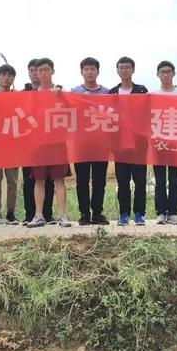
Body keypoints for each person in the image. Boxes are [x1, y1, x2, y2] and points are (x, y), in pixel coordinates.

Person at [27, 58, 71, 228]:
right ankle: (38, 215)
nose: (43, 73)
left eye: (46, 69)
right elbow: (25, 115)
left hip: (58, 143)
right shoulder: (31, 95)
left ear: (53, 71)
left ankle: (62, 215)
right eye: (40, 70)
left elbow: (71, 111)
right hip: (38, 144)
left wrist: (61, 96)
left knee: (59, 180)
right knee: (39, 180)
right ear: (36, 73)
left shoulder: (61, 92)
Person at [70, 57, 111, 225]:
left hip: (101, 143)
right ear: (81, 72)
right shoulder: (74, 91)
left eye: (92, 69)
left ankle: (97, 213)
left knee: (100, 180)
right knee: (82, 180)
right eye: (86, 69)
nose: (89, 72)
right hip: (81, 143)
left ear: (98, 71)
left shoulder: (107, 92)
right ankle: (84, 214)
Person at [109, 56, 149, 226]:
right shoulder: (112, 92)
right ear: (117, 71)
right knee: (123, 180)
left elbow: (148, 113)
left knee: (140, 181)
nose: (124, 70)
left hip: (139, 144)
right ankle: (123, 213)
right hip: (119, 144)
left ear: (133, 70)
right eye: (121, 67)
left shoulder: (141, 90)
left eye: (127, 67)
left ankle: (139, 213)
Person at [151, 61, 177, 225]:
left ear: (174, 74)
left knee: (174, 179)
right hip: (158, 141)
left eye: (168, 71)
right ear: (157, 74)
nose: (165, 75)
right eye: (162, 72)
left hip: (176, 141)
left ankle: (173, 212)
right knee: (159, 180)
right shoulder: (153, 94)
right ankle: (160, 212)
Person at [21, 58, 54, 224]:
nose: (36, 73)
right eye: (32, 70)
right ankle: (30, 214)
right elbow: (19, 113)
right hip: (29, 143)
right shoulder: (23, 93)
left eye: (39, 70)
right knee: (30, 180)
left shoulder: (54, 91)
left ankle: (47, 214)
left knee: (49, 180)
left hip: (50, 142)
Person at [0, 64, 20, 225]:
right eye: (3, 75)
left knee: (12, 181)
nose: (6, 78)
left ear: (13, 78)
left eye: (10, 75)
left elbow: (23, 114)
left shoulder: (18, 97)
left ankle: (11, 213)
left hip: (12, 145)